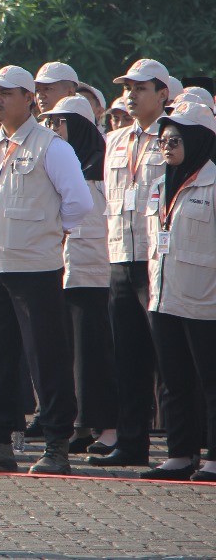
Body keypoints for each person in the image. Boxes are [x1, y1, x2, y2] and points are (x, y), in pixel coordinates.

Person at [0, 65, 92, 475]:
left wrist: (47, 234)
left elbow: (79, 204)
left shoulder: (53, 147)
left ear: (29, 98)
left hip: (35, 267)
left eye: (7, 92)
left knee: (46, 357)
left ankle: (56, 446)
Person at [90, 59, 171, 467]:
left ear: (162, 94)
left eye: (141, 88)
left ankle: (181, 447)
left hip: (160, 259)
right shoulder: (116, 139)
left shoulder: (176, 137)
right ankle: (131, 442)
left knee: (170, 358)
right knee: (127, 357)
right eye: (128, 87)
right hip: (121, 257)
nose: (131, 94)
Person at [142, 101, 216, 481]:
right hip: (164, 296)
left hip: (206, 301)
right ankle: (179, 454)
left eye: (176, 139)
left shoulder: (213, 182)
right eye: (163, 139)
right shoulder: (158, 185)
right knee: (172, 380)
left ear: (200, 139)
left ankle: (213, 458)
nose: (167, 146)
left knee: (210, 382)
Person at [38, 95, 117, 454]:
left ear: (81, 125)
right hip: (64, 272)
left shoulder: (103, 166)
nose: (52, 129)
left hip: (96, 276)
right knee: (71, 356)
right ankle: (81, 426)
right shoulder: (57, 165)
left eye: (60, 122)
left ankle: (110, 429)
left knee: (96, 355)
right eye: (49, 123)